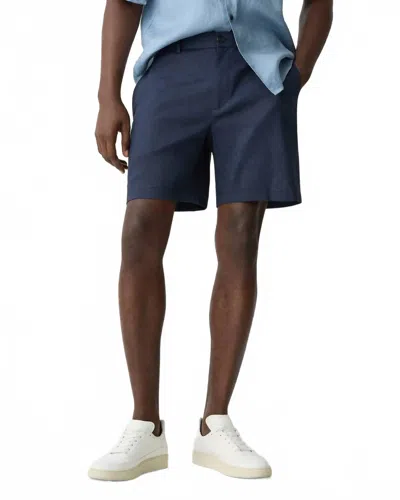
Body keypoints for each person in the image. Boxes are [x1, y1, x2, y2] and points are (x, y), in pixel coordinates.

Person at [89, 0, 333, 481]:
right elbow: (123, 3)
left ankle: (214, 421)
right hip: (169, 70)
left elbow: (320, 4)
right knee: (140, 229)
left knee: (241, 234)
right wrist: (107, 96)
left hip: (258, 72)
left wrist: (294, 80)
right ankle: (145, 425)